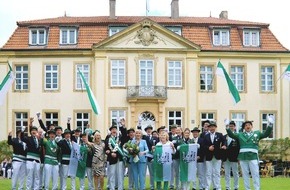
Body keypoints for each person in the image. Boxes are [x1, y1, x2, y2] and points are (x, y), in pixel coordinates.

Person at [226, 116, 274, 190]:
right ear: (244, 127)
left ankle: (257, 188)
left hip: (253, 156)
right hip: (243, 157)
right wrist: (227, 127)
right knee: (245, 175)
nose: (248, 126)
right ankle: (247, 189)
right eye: (246, 125)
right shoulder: (240, 134)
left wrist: (270, 125)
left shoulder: (257, 133)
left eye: (249, 125)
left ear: (252, 126)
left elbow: (266, 134)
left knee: (255, 174)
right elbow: (231, 135)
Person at [105, 120, 127, 190]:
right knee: (112, 174)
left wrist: (123, 126)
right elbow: (106, 149)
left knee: (120, 174)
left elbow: (125, 136)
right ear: (110, 131)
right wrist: (110, 153)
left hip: (120, 159)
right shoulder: (108, 139)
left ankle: (120, 188)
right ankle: (112, 188)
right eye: (112, 129)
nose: (114, 131)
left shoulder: (120, 138)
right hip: (112, 159)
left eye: (115, 129)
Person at [204, 122, 226, 190]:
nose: (212, 128)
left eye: (213, 127)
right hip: (208, 156)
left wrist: (224, 145)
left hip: (217, 156)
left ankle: (217, 187)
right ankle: (207, 187)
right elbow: (203, 145)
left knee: (216, 172)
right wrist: (208, 148)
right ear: (209, 128)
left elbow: (224, 141)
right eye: (210, 127)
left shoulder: (219, 135)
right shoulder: (206, 136)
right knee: (208, 173)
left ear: (215, 127)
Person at [21, 124, 42, 190]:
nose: (34, 131)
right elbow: (22, 138)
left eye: (35, 130)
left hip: (37, 160)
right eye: (32, 130)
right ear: (30, 132)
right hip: (30, 159)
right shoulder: (28, 138)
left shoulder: (39, 139)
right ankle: (28, 188)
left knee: (37, 176)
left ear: (37, 132)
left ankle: (36, 188)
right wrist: (22, 131)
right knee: (29, 176)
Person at [223, 121, 240, 190]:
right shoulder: (224, 136)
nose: (231, 127)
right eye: (230, 126)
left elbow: (239, 147)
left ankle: (236, 187)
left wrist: (239, 157)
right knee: (227, 173)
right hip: (226, 157)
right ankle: (228, 187)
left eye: (232, 126)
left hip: (234, 157)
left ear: (235, 127)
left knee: (235, 173)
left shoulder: (237, 136)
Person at [143, 125, 155, 190]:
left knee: (152, 173)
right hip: (144, 157)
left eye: (150, 129)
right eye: (147, 129)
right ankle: (143, 186)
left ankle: (152, 186)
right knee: (143, 173)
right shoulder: (144, 137)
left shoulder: (155, 138)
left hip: (151, 157)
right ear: (146, 131)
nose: (149, 130)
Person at [170, 126, 182, 190]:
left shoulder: (184, 138)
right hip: (175, 157)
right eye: (176, 130)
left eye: (179, 130)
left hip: (183, 158)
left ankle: (181, 186)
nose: (177, 131)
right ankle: (176, 186)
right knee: (176, 172)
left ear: (181, 131)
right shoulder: (174, 138)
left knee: (181, 172)